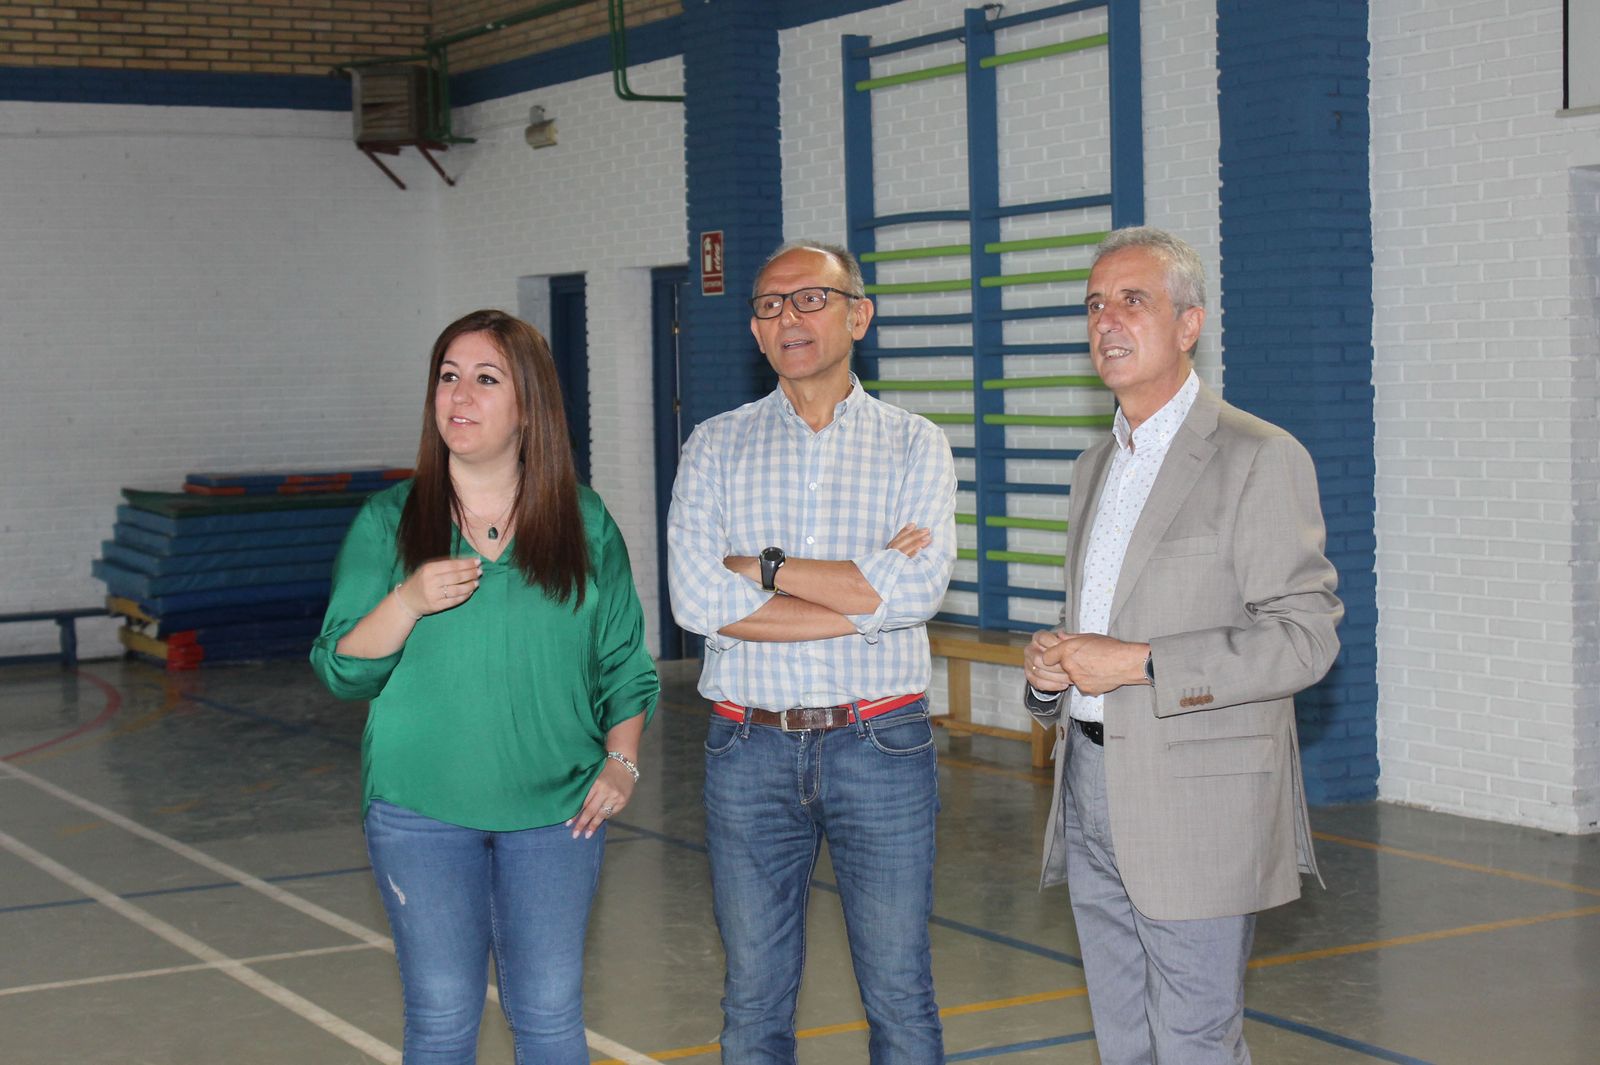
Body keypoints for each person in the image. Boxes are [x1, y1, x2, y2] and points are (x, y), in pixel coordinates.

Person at [1022, 227, 1343, 1064]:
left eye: (1134, 300)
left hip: (1196, 798)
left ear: (1189, 324)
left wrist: (1140, 662)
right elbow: (1102, 623)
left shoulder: (1258, 456)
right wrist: (1053, 673)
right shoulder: (1094, 466)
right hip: (1088, 780)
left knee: (1195, 1042)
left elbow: (1305, 639)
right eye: (1095, 304)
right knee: (1124, 1038)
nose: (1108, 321)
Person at [310, 309, 658, 1065]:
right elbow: (340, 665)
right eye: (447, 376)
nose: (459, 395)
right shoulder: (389, 521)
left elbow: (624, 664)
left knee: (550, 1016)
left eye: (485, 379)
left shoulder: (585, 522)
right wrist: (406, 600)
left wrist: (621, 759)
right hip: (420, 810)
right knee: (440, 1016)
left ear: (528, 406)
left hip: (558, 815)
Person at [667, 240, 957, 1064]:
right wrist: (863, 597)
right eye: (768, 305)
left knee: (901, 994)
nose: (787, 318)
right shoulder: (715, 447)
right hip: (746, 744)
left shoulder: (915, 444)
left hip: (883, 744)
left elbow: (917, 590)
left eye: (808, 300)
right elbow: (696, 601)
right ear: (755, 334)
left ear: (857, 314)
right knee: (754, 999)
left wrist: (763, 570)